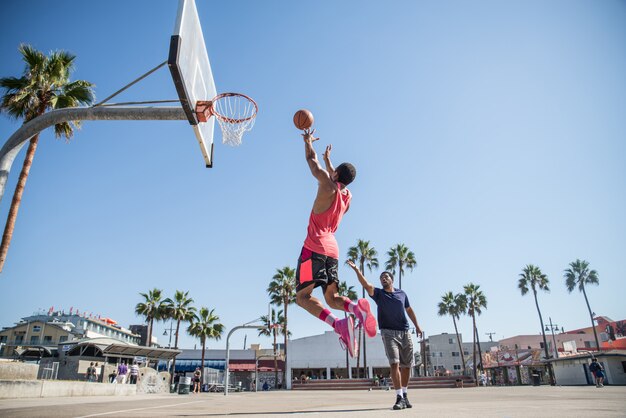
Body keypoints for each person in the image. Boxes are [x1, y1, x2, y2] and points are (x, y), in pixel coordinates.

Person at [295, 128, 375, 358]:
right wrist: (330, 161)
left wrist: (308, 142)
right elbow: (335, 178)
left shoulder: (326, 185)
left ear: (335, 176)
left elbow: (311, 161)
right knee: (331, 298)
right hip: (333, 249)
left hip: (314, 247)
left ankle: (339, 324)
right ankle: (355, 308)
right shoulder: (347, 197)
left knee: (302, 298)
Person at [348, 260, 423, 411]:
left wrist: (417, 326)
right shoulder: (379, 294)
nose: (383, 279)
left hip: (405, 332)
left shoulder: (402, 294)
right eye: (381, 277)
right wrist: (356, 270)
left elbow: (409, 310)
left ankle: (405, 395)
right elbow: (366, 284)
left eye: (386, 277)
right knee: (394, 363)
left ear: (391, 280)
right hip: (388, 333)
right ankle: (399, 397)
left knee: (407, 366)